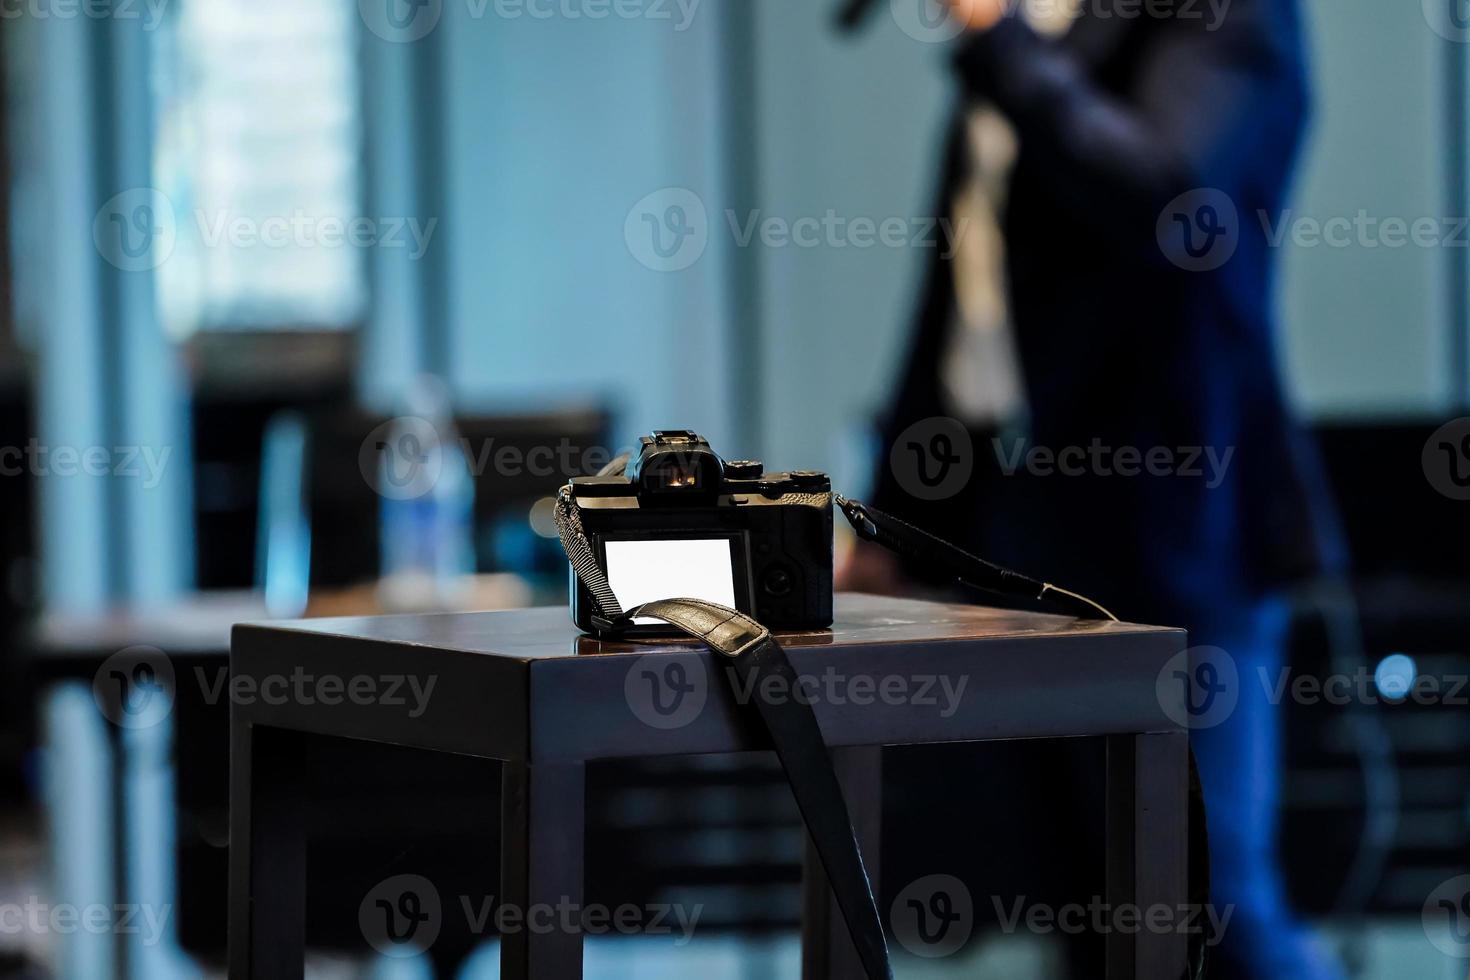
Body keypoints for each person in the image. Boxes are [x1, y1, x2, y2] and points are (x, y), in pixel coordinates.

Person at [843, 0, 1348, 976]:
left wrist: (1000, 42)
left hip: (1182, 520)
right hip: (1024, 536)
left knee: (1209, 901)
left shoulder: (1222, 18)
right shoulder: (1030, 49)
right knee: (1084, 907)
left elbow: (1169, 203)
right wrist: (895, 522)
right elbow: (961, 315)